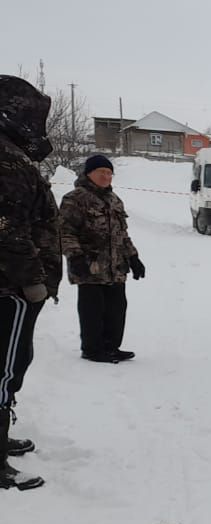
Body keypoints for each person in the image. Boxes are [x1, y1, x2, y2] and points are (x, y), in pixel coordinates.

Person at [0, 75, 62, 491]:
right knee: (3, 370)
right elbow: (6, 229)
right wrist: (32, 281)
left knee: (12, 366)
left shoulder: (11, 156)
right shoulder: (6, 161)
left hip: (15, 287)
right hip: (10, 288)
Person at [59, 154, 146, 364]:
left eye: (109, 173)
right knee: (93, 310)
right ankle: (92, 349)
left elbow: (122, 234)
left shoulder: (115, 200)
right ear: (89, 173)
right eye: (102, 172)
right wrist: (75, 256)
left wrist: (133, 257)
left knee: (116, 309)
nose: (106, 177)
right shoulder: (75, 199)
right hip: (90, 266)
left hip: (116, 266)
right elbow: (64, 231)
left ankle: (111, 347)